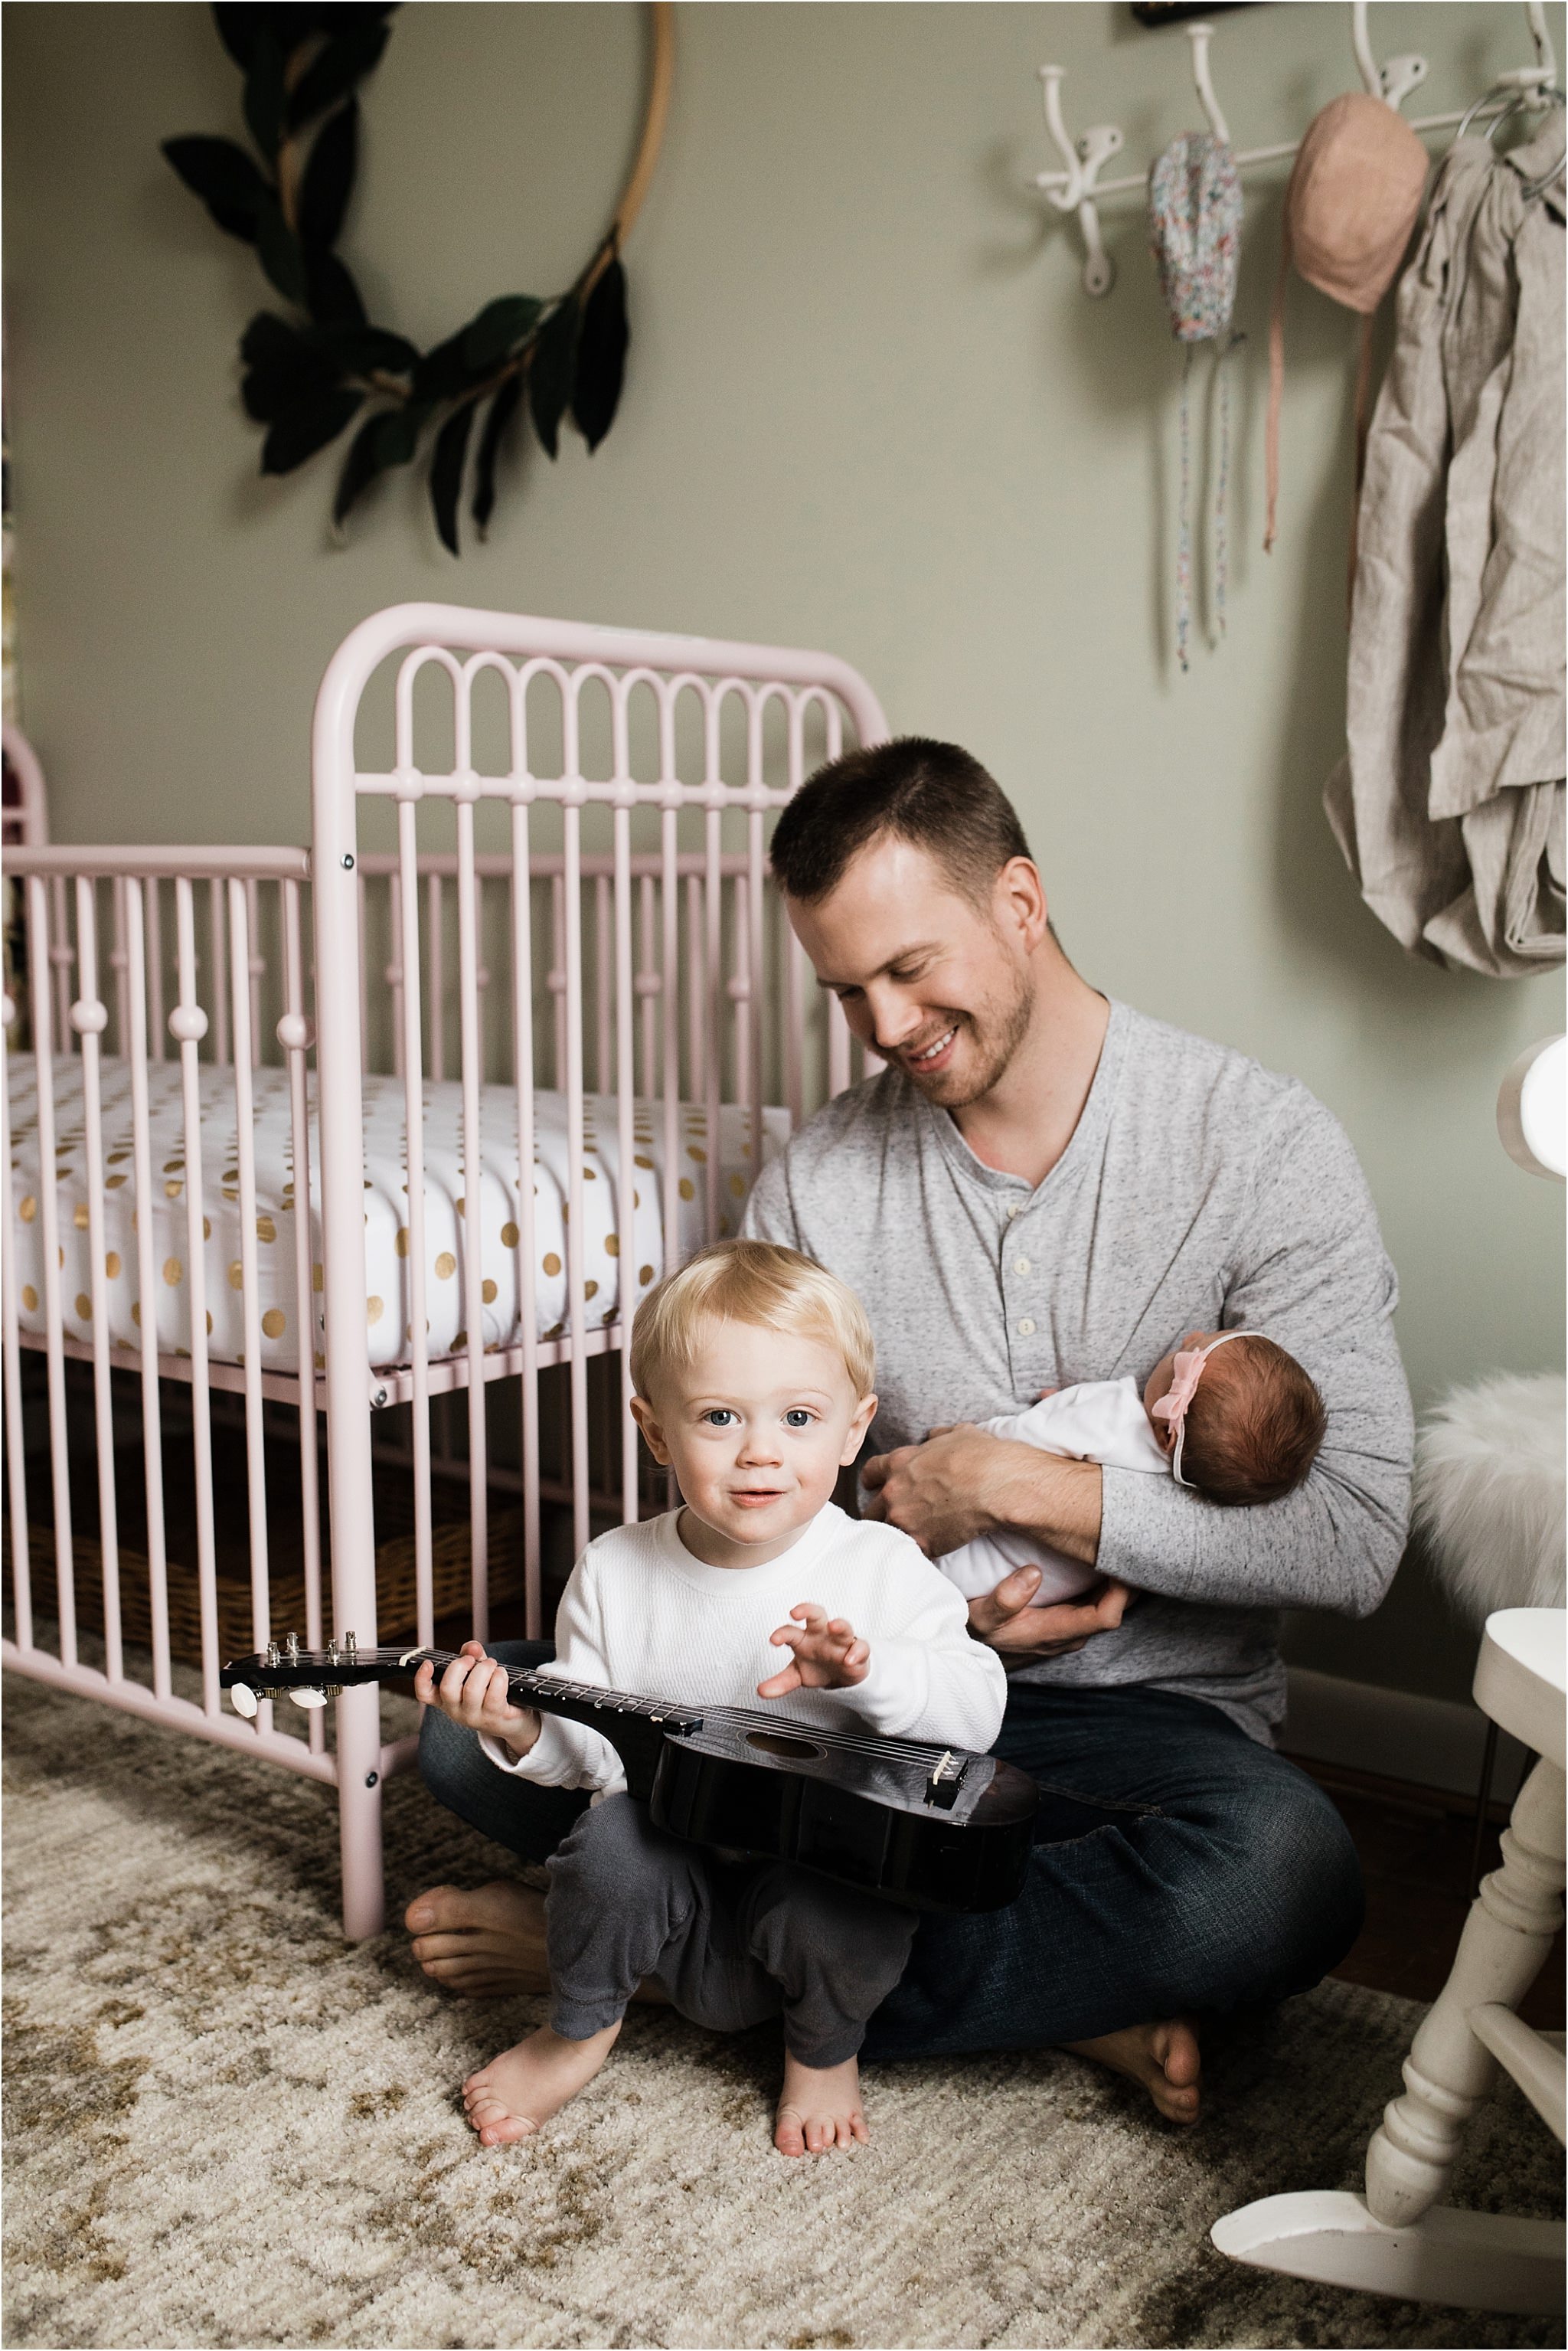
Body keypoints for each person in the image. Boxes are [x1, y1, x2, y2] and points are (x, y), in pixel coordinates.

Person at [408, 737, 1412, 2127]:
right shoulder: (820, 1180)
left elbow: (1352, 1536)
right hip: (848, 1716)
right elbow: (769, 1497)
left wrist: (1008, 1484)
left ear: (1018, 901)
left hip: (1138, 1731)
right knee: (471, 1734)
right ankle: (1019, 1993)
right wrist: (912, 1624)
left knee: (1275, 1880)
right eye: (844, 990)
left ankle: (654, 1952)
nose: (882, 1025)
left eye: (907, 970)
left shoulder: (1258, 1148)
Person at [416, 1240, 1004, 2155]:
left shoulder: (878, 1566)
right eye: (720, 1416)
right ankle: (578, 2028)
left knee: (852, 1901)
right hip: (672, 1898)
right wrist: (521, 1724)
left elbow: (977, 1712)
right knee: (610, 1843)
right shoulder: (616, 1571)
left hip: (815, 1896)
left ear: (855, 1429)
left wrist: (868, 1675)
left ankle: (821, 2047)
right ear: (656, 1432)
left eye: (800, 1416)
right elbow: (596, 1757)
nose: (760, 1452)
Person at [935, 1326, 1328, 1608]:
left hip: (963, 1559)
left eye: (1187, 1356)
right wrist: (1070, 1408)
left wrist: (969, 1435)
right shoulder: (1183, 1485)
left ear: (1165, 1432)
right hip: (1033, 1592)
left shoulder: (1111, 1414)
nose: (1191, 1335)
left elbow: (1013, 1440)